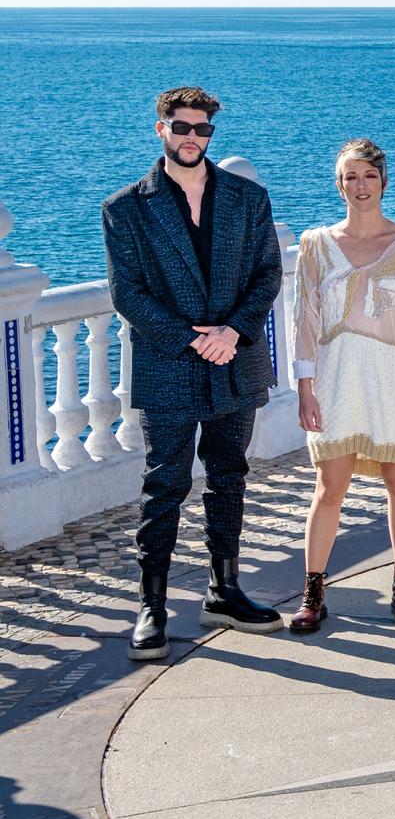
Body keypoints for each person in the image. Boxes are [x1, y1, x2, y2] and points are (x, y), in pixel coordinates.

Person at [104, 86, 286, 659]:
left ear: (211, 134)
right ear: (160, 128)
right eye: (181, 127)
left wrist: (232, 332)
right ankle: (151, 607)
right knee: (166, 485)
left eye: (202, 130)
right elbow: (126, 293)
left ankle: (224, 590)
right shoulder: (126, 208)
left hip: (237, 357)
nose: (192, 138)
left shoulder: (248, 198)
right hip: (169, 365)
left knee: (230, 476)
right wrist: (193, 340)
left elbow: (267, 275)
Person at [290, 139, 395, 633]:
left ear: (383, 181)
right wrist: (305, 387)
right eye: (349, 176)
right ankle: (313, 592)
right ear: (339, 184)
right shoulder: (316, 245)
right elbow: (305, 321)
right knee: (329, 485)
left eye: (368, 176)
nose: (359, 186)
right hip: (336, 378)